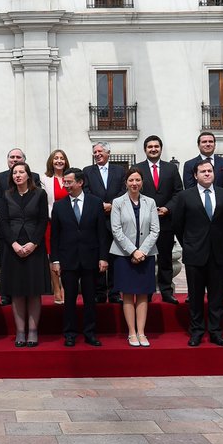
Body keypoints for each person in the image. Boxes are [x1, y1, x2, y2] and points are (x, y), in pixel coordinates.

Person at [170, 160, 223, 347]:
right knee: (195, 296)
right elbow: (177, 224)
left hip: (217, 253)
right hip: (194, 253)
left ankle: (216, 332)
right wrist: (190, 243)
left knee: (216, 296)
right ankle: (197, 331)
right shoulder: (185, 196)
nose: (207, 174)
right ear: (195, 175)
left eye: (209, 171)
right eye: (203, 171)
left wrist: (217, 238)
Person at [182, 131, 223, 303]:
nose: (207, 144)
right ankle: (194, 293)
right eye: (204, 141)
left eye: (210, 141)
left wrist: (220, 201)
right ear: (199, 145)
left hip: (219, 219)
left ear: (215, 144)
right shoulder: (189, 165)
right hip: (198, 221)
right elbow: (188, 188)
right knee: (196, 264)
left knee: (221, 259)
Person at [50, 168, 110, 347]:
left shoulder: (95, 203)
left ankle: (90, 333)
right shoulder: (59, 206)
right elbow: (55, 236)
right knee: (69, 299)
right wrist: (55, 260)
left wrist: (103, 257)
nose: (65, 185)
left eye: (69, 182)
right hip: (68, 259)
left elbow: (102, 233)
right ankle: (70, 333)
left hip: (90, 258)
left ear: (80, 182)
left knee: (90, 299)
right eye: (64, 182)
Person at [0, 161, 49, 346]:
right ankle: (20, 331)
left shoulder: (40, 194)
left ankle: (33, 331)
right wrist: (13, 244)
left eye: (21, 172)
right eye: (14, 173)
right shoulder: (6, 195)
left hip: (34, 247)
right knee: (17, 291)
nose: (17, 175)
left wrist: (33, 243)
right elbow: (3, 222)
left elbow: (43, 220)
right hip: (13, 248)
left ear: (29, 175)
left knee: (34, 292)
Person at [109, 167, 160, 347]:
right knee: (128, 294)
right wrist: (133, 251)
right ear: (126, 182)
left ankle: (142, 332)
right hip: (123, 255)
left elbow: (155, 230)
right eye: (131, 180)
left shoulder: (150, 202)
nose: (134, 183)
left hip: (146, 254)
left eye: (137, 180)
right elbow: (116, 230)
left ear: (142, 182)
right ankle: (131, 332)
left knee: (143, 294)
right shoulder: (118, 202)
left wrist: (142, 251)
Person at [138, 135, 183, 304]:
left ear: (161, 149)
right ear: (145, 149)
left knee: (166, 258)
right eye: (150, 147)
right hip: (144, 222)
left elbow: (178, 192)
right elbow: (133, 191)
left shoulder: (171, 169)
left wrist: (167, 208)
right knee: (146, 258)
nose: (153, 149)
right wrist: (148, 210)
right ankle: (147, 291)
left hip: (166, 221)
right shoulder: (137, 168)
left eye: (156, 146)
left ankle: (166, 291)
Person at [0, 148, 40, 307]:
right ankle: (6, 295)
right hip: (6, 228)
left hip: (28, 231)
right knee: (6, 264)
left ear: (24, 160)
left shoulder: (35, 177)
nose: (14, 159)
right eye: (11, 157)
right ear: (7, 160)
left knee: (28, 266)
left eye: (18, 157)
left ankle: (28, 292)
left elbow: (36, 202)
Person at [83, 141, 127, 304]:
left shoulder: (119, 170)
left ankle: (114, 292)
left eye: (100, 151)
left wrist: (112, 205)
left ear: (108, 153)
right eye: (95, 152)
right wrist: (99, 205)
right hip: (96, 219)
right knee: (98, 256)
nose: (97, 154)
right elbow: (86, 190)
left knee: (115, 257)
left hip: (115, 220)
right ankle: (100, 292)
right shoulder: (88, 171)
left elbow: (124, 190)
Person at [43, 149, 71, 304]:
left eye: (62, 158)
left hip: (69, 223)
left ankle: (66, 288)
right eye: (56, 158)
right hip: (51, 222)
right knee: (52, 256)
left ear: (65, 161)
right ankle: (56, 289)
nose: (59, 161)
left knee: (67, 255)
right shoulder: (44, 179)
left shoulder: (71, 177)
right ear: (51, 162)